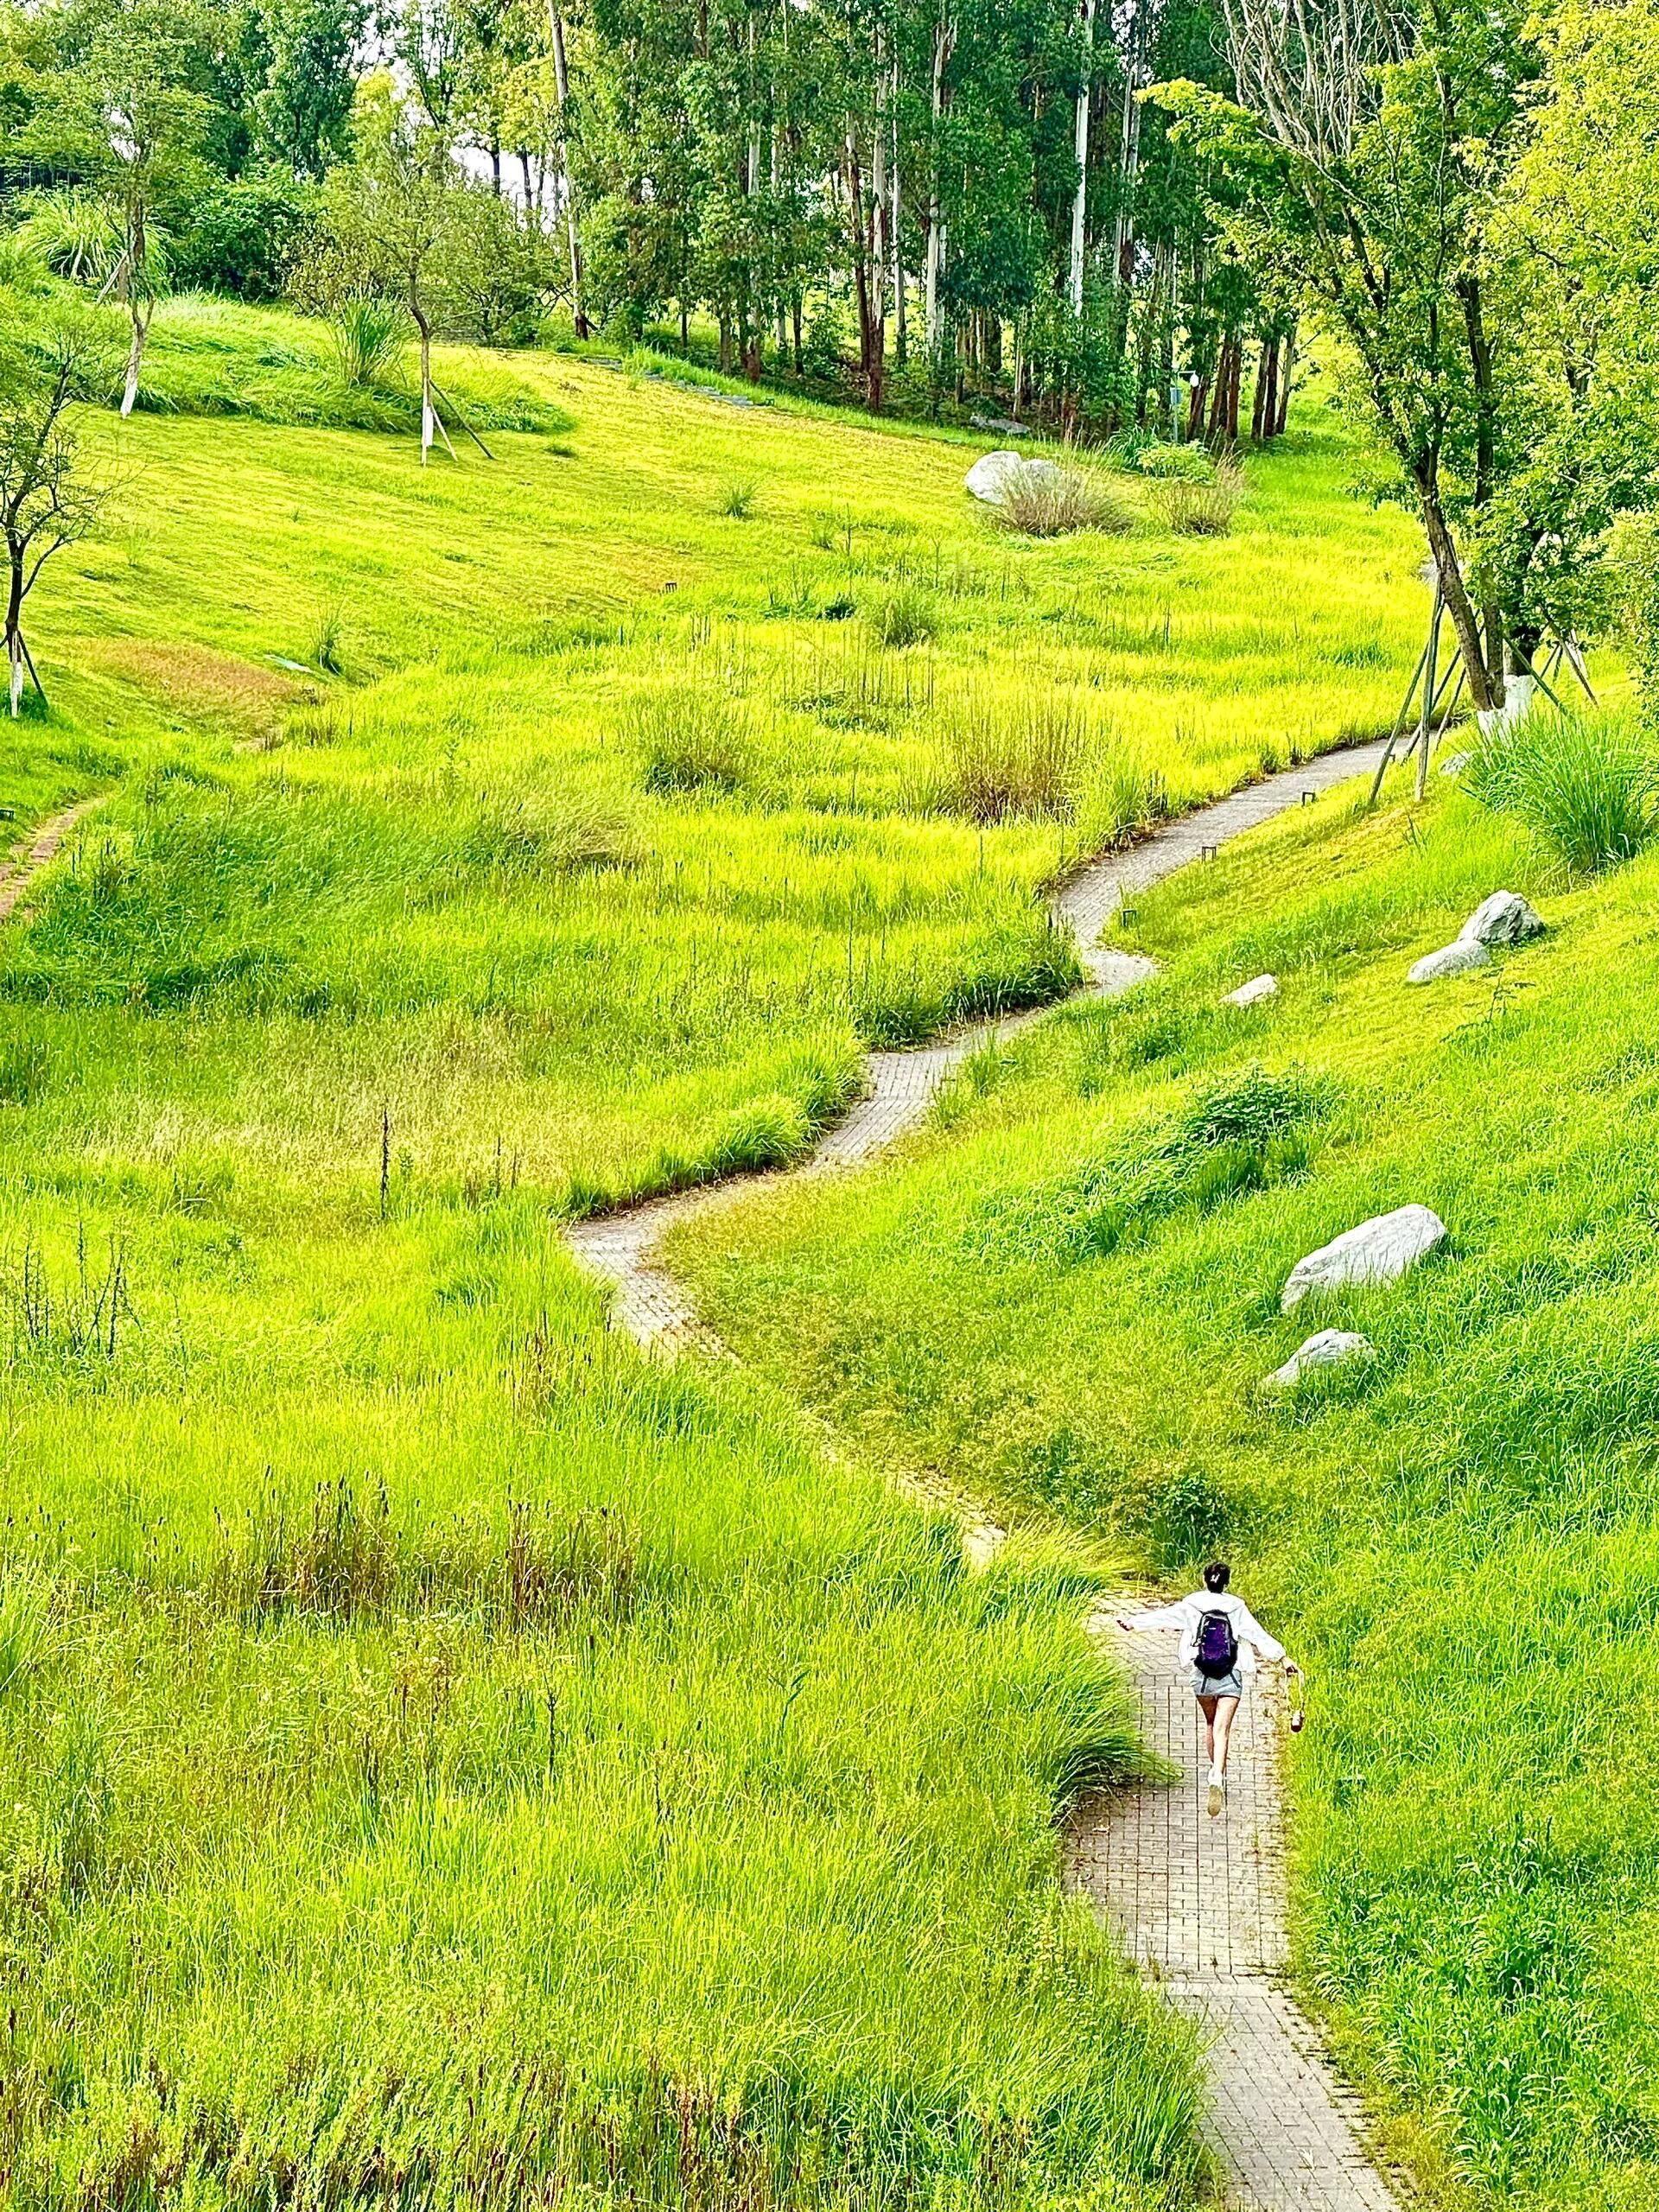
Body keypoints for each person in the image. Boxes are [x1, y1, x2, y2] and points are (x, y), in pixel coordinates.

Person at [1117, 1561, 1301, 1817]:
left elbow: (1164, 1617)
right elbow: (1258, 1635)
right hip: (1231, 1673)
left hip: (1201, 1675)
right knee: (1222, 1729)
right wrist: (1283, 1658)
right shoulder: (1237, 1606)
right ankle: (1217, 1775)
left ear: (1204, 1580)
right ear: (1227, 1583)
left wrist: (1133, 1623)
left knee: (1209, 1723)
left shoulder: (1191, 1603)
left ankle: (1216, 1770)